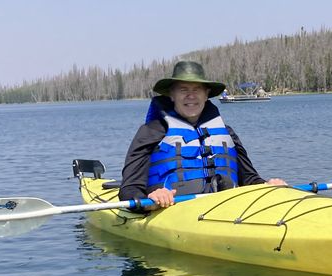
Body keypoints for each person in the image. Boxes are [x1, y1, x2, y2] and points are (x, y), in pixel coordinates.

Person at [119, 60, 286, 207]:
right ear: (172, 95)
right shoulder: (151, 132)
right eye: (183, 89)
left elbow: (249, 179)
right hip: (170, 210)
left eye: (197, 89)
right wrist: (151, 200)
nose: (191, 96)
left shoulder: (227, 133)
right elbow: (129, 190)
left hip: (226, 207)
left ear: (206, 95)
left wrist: (267, 185)